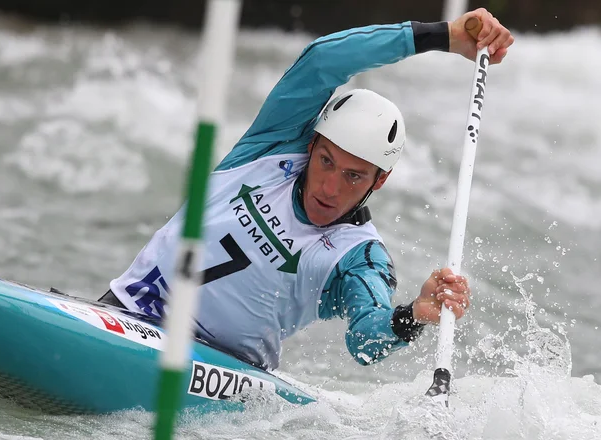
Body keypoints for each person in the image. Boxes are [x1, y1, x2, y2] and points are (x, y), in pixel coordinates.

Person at [100, 8, 514, 370]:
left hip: (216, 373)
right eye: (326, 161)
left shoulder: (357, 256)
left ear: (379, 181)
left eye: (354, 176)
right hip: (125, 316)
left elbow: (365, 342)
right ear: (312, 144)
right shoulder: (271, 144)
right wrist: (440, 36)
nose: (330, 188)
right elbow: (324, 59)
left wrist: (413, 316)